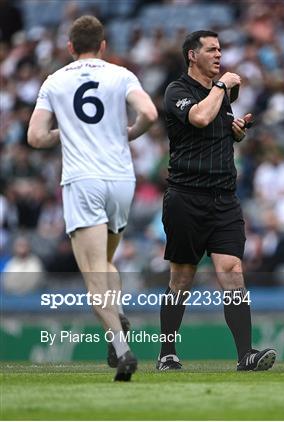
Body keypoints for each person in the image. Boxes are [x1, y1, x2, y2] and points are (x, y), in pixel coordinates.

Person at [27, 15, 158, 381]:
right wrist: (130, 132)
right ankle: (117, 317)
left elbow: (35, 137)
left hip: (82, 180)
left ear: (69, 47)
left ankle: (121, 348)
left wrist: (65, 132)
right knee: (105, 262)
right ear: (103, 45)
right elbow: (149, 112)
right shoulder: (121, 74)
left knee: (92, 275)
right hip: (120, 179)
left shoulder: (55, 81)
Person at [158, 30, 276, 371]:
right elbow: (198, 117)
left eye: (221, 49)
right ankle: (167, 352)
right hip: (186, 197)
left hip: (224, 198)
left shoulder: (219, 97)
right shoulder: (177, 91)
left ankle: (245, 355)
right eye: (211, 49)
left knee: (233, 272)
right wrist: (223, 86)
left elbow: (213, 127)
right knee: (182, 277)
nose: (219, 54)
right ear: (192, 55)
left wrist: (233, 130)